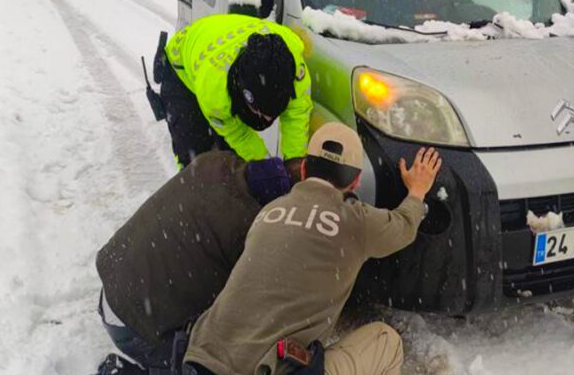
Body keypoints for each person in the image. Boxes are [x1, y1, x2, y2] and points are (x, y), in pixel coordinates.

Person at [183, 122, 442, 375]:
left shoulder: (269, 211)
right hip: (266, 369)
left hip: (200, 360)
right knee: (387, 342)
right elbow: (403, 227)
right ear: (356, 182)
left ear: (304, 168)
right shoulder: (354, 221)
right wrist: (417, 191)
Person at [95, 150, 294, 374]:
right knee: (208, 364)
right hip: (134, 324)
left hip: (114, 283)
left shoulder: (217, 162)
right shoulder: (243, 233)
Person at [161, 14, 313, 174]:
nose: (268, 120)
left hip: (219, 33)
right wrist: (268, 170)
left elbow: (297, 114)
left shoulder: (293, 64)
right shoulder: (214, 91)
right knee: (197, 163)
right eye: (261, 113)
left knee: (237, 165)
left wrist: (293, 167)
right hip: (181, 68)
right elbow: (241, 137)